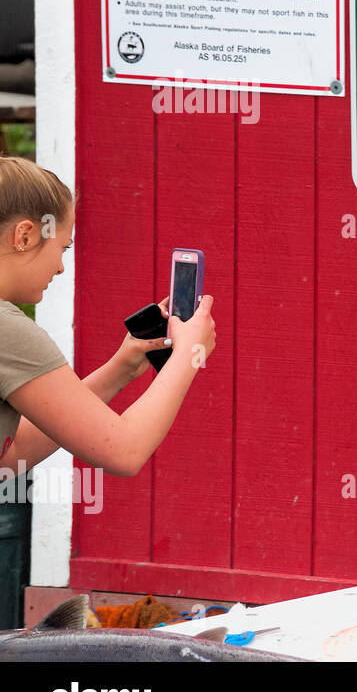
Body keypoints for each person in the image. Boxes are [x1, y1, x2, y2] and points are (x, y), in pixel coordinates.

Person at [0, 156, 216, 479]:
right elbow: (125, 451)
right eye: (64, 247)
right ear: (26, 236)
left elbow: (10, 456)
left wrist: (120, 369)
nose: (60, 267)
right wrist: (188, 354)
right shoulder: (10, 331)